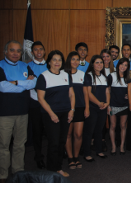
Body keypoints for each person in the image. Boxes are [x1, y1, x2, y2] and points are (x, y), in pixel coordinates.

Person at [0, 40, 36, 183]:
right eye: (12, 50)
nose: (15, 53)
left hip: (23, 111)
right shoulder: (0, 65)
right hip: (4, 113)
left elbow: (34, 82)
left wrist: (14, 82)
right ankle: (2, 173)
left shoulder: (25, 65)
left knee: (20, 143)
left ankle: (18, 170)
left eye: (18, 51)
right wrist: (24, 84)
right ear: (5, 52)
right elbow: (2, 87)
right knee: (3, 145)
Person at [36, 50, 75, 178]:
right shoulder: (43, 76)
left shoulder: (66, 75)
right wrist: (52, 114)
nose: (57, 62)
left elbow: (71, 94)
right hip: (51, 114)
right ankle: (52, 170)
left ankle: (57, 168)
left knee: (62, 141)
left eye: (59, 60)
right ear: (49, 62)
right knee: (53, 142)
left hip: (65, 113)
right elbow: (41, 98)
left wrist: (72, 110)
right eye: (54, 59)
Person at [63, 51, 88, 170]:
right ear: (68, 60)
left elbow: (86, 93)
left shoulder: (82, 74)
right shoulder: (62, 73)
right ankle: (70, 157)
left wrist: (87, 107)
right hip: (65, 108)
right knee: (67, 134)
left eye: (77, 59)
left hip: (79, 107)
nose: (75, 62)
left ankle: (76, 156)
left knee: (78, 134)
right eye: (73, 59)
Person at [82, 55, 110, 162]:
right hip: (93, 107)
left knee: (99, 130)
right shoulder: (88, 76)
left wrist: (107, 103)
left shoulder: (104, 77)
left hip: (102, 108)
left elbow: (107, 91)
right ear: (92, 64)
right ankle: (87, 153)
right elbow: (87, 93)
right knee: (89, 131)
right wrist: (98, 103)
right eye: (97, 63)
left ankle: (99, 150)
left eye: (101, 63)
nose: (99, 65)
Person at [27, 41, 48, 169]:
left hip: (50, 103)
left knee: (51, 131)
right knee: (37, 131)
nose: (39, 52)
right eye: (36, 50)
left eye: (41, 49)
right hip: (35, 102)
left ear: (44, 51)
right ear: (32, 52)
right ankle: (38, 156)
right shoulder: (27, 66)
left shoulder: (51, 64)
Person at [107, 58, 131, 155]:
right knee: (112, 126)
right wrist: (108, 105)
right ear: (118, 65)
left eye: (125, 65)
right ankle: (113, 146)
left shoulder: (128, 77)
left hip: (124, 105)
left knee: (122, 125)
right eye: (122, 64)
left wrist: (129, 101)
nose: (123, 67)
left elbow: (129, 91)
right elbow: (108, 91)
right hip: (113, 105)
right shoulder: (111, 75)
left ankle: (121, 145)